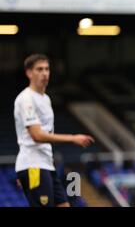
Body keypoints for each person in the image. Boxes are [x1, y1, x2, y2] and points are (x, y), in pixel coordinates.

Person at [14, 53, 95, 207]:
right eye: (39, 69)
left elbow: (45, 136)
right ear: (29, 73)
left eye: (47, 69)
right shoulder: (26, 99)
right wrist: (72, 138)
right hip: (34, 166)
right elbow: (36, 135)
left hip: (45, 165)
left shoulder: (46, 99)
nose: (44, 73)